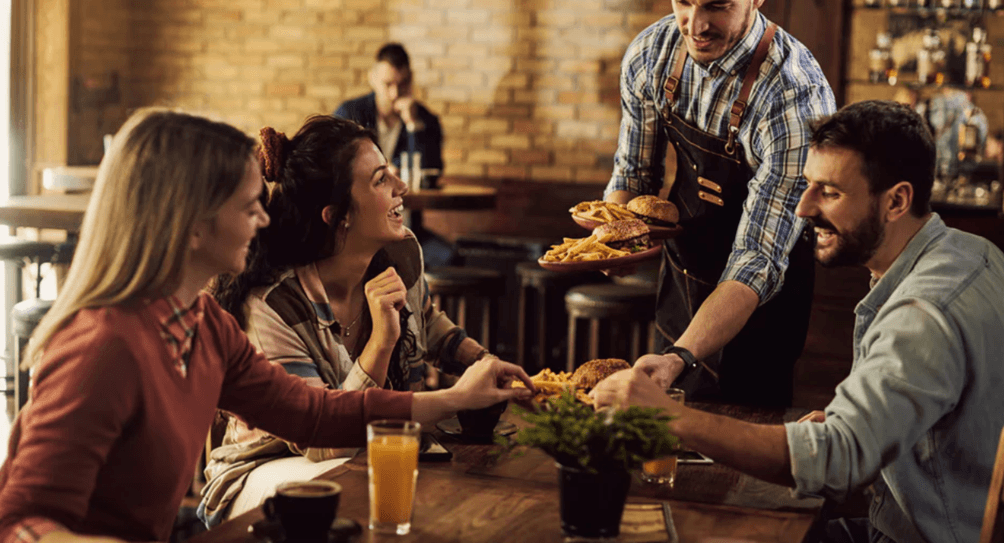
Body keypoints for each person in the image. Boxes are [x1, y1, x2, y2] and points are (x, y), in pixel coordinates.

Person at [0, 108, 533, 543]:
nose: (262, 220)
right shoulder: (103, 346)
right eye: (248, 205)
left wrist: (457, 400)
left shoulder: (202, 325)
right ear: (191, 227)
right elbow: (21, 523)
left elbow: (313, 413)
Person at [593, 100, 1004, 543]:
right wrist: (852, 418)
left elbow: (837, 463)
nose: (803, 209)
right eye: (807, 185)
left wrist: (669, 418)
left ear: (897, 201)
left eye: (829, 192)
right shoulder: (974, 255)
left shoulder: (921, 314)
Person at [199, 115, 500, 524]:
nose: (401, 187)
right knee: (352, 491)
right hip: (266, 471)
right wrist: (381, 343)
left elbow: (426, 321)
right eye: (380, 180)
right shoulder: (273, 306)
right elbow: (325, 442)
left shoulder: (401, 253)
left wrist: (482, 363)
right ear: (337, 215)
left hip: (364, 450)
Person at [603, 0, 837, 406]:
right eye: (685, 3)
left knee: (737, 446)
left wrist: (679, 356)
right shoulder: (652, 53)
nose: (695, 25)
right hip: (684, 281)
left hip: (761, 312)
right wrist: (614, 238)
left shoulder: (794, 95)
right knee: (664, 442)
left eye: (716, 6)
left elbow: (756, 259)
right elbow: (633, 175)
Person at [334, 43, 452, 267]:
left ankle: (422, 303)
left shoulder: (426, 121)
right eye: (388, 84)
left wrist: (412, 127)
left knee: (449, 257)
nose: (395, 93)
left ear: (411, 81)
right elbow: (334, 169)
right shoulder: (349, 114)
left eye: (403, 84)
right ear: (372, 79)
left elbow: (430, 174)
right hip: (357, 229)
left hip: (406, 226)